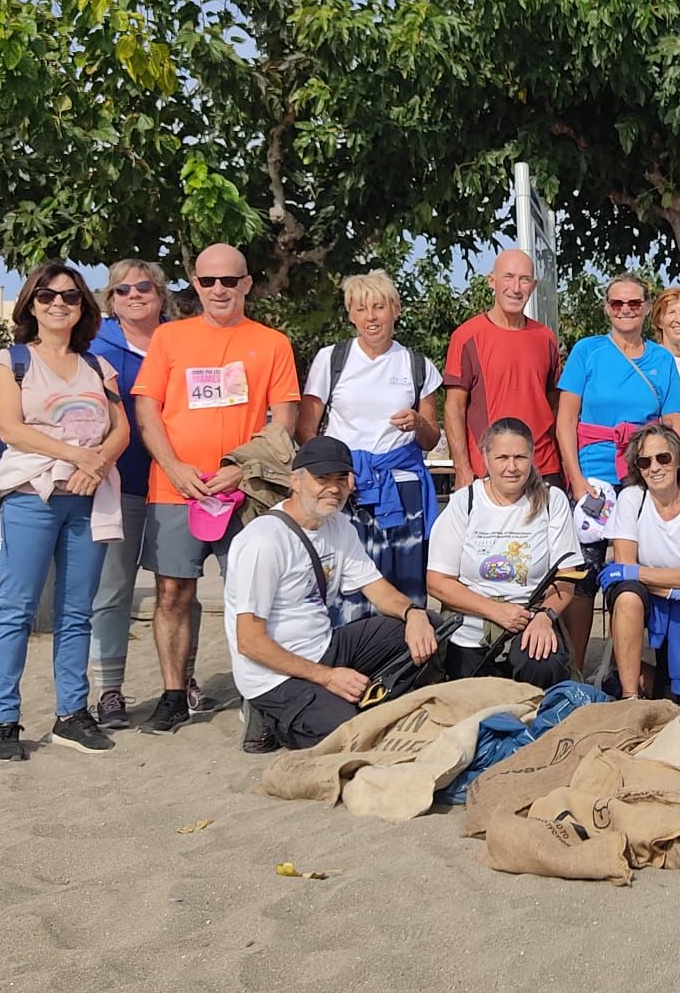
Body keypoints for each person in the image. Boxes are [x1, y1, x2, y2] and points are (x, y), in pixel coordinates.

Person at [130, 243, 302, 735]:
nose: (219, 290)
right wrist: (174, 465)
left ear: (247, 283)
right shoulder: (169, 338)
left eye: (230, 280)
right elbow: (147, 411)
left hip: (243, 492)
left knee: (252, 596)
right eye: (208, 282)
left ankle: (260, 694)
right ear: (195, 285)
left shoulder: (272, 343)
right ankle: (172, 694)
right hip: (175, 489)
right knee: (172, 594)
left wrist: (243, 470)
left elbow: (285, 420)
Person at [0, 262, 129, 761]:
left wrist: (97, 463)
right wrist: (79, 457)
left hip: (88, 498)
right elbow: (12, 428)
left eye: (69, 296)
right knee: (16, 610)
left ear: (83, 305)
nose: (58, 303)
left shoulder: (97, 367)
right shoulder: (12, 360)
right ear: (31, 304)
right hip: (31, 497)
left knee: (76, 612)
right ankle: (2, 722)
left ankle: (72, 714)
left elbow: (120, 429)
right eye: (47, 296)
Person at [225, 435, 438, 750]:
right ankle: (269, 717)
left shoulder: (338, 526)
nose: (334, 488)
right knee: (351, 736)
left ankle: (361, 700)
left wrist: (413, 613)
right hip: (274, 674)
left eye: (341, 478)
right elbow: (250, 642)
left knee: (429, 630)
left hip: (324, 644)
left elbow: (377, 589)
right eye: (322, 478)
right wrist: (326, 676)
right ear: (296, 481)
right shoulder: (263, 542)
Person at [555, 274, 680, 662]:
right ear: (607, 308)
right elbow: (566, 421)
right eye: (617, 304)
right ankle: (577, 667)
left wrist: (668, 480)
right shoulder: (588, 352)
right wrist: (577, 482)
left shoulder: (661, 359)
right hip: (594, 479)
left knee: (637, 575)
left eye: (634, 304)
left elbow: (674, 425)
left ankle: (629, 667)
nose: (626, 311)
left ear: (647, 308)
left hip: (643, 478)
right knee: (582, 575)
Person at [298, 272, 441, 614]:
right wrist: (332, 475)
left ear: (395, 310)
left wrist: (418, 423)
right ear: (350, 314)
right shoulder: (331, 359)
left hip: (402, 489)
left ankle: (407, 659)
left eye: (379, 307)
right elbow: (306, 432)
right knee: (346, 583)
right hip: (347, 489)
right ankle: (349, 657)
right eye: (361, 309)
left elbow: (431, 438)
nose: (371, 317)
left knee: (405, 585)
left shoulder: (417, 364)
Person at [86, 258, 182, 731]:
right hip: (117, 484)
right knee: (112, 589)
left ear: (160, 293)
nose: (134, 295)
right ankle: (109, 690)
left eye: (143, 287)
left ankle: (181, 682)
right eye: (122, 290)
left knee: (177, 588)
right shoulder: (92, 346)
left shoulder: (184, 341)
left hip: (177, 484)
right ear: (111, 300)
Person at [425, 419, 585, 687]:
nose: (512, 467)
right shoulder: (465, 502)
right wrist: (495, 611)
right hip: (471, 628)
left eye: (520, 457)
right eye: (502, 457)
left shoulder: (551, 500)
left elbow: (567, 577)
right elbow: (437, 582)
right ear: (486, 458)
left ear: (532, 457)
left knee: (543, 664)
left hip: (531, 622)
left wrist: (545, 617)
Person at [602, 424, 680, 700]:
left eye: (663, 458)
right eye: (644, 462)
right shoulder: (632, 498)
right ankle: (629, 696)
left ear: (679, 459)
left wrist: (636, 574)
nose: (654, 467)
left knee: (675, 697)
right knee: (628, 597)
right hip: (645, 595)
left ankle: (623, 674)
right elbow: (625, 572)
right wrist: (668, 586)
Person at [442, 248, 563, 486]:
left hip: (543, 467)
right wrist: (462, 470)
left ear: (534, 285)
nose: (516, 287)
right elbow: (454, 408)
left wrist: (565, 464)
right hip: (489, 470)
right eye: (508, 277)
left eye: (524, 279)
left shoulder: (546, 338)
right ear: (491, 281)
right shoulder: (467, 337)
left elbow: (556, 407)